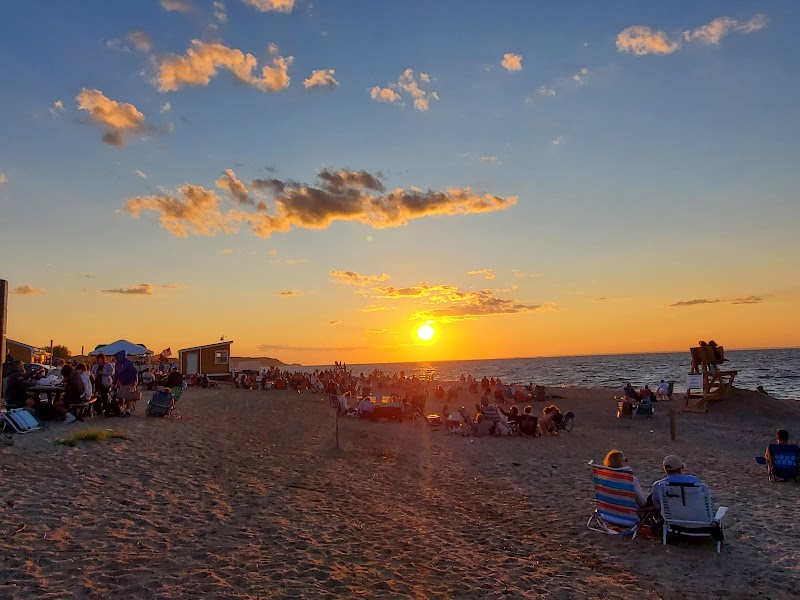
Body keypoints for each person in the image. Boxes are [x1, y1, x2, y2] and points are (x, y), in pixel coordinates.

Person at [113, 350, 138, 417]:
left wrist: (133, 382)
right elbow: (116, 374)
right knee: (121, 396)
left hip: (129, 382)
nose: (116, 358)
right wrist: (114, 382)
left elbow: (134, 372)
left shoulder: (128, 363)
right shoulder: (117, 364)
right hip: (121, 383)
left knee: (128, 397)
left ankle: (128, 411)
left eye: (117, 357)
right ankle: (121, 409)